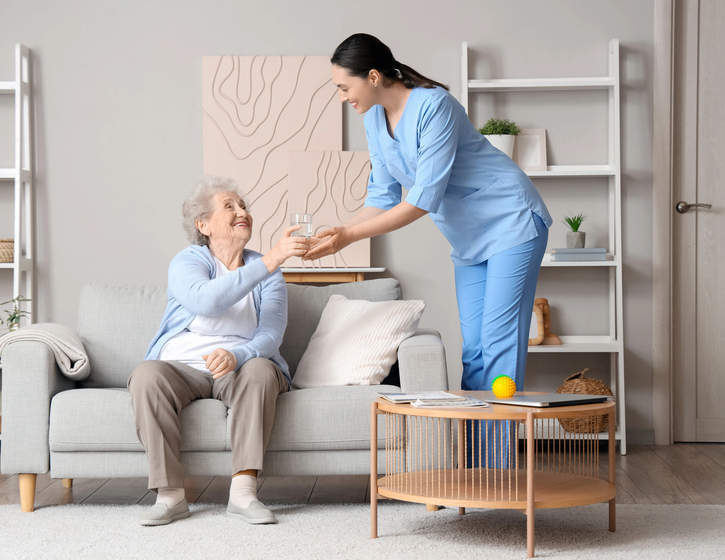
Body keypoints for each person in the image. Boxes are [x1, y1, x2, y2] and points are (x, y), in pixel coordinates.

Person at [304, 33, 552, 467]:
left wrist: (349, 238)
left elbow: (422, 199)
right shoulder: (374, 120)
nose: (342, 97)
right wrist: (338, 231)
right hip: (468, 239)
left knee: (497, 346)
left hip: (512, 222)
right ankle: (476, 465)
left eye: (344, 87)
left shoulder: (434, 106)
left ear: (374, 76)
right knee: (472, 351)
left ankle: (497, 473)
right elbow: (382, 196)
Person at [129, 175, 308, 526]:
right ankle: (170, 496)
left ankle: (243, 493)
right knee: (146, 375)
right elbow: (204, 300)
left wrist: (238, 356)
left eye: (243, 206)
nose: (242, 211)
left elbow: (272, 334)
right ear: (204, 224)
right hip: (183, 366)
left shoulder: (268, 272)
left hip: (242, 366)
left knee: (260, 369)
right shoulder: (187, 261)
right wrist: (272, 258)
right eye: (230, 206)